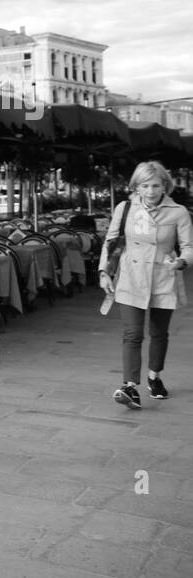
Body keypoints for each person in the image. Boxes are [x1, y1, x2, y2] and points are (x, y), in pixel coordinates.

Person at [100, 161, 192, 408]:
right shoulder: (125, 208)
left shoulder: (179, 212)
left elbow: (188, 247)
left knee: (159, 333)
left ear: (165, 186)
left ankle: (154, 377)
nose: (150, 191)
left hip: (163, 277)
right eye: (144, 185)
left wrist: (182, 261)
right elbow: (111, 241)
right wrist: (103, 272)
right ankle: (129, 387)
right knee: (132, 334)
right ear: (136, 187)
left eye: (155, 185)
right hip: (131, 276)